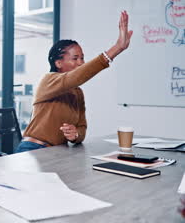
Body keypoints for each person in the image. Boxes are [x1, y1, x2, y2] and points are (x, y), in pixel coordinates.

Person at [16, 11, 133, 152]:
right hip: (33, 149)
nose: (81, 63)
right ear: (59, 63)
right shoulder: (48, 80)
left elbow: (82, 127)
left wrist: (75, 134)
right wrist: (116, 48)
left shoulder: (78, 93)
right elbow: (75, 77)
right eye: (75, 58)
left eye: (82, 58)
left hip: (58, 152)